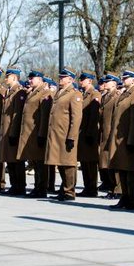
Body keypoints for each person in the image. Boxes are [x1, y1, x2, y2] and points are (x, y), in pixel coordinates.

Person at [110, 71, 134, 210]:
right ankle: (125, 197)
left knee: (131, 171)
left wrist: (132, 140)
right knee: (122, 170)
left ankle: (133, 200)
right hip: (120, 139)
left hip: (129, 139)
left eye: (125, 78)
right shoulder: (125, 94)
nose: (122, 80)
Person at [46, 69, 83, 201]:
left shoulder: (75, 94)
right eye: (60, 76)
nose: (61, 79)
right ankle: (64, 188)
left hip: (66, 134)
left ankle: (69, 191)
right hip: (57, 134)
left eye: (64, 77)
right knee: (59, 162)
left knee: (68, 163)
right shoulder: (59, 92)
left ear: (71, 79)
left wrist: (72, 136)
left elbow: (76, 117)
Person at [76, 72, 102, 197]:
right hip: (82, 132)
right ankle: (87, 187)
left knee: (90, 162)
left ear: (90, 81)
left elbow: (94, 116)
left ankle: (92, 188)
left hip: (89, 132)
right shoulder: (83, 94)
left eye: (83, 79)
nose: (80, 81)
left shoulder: (94, 94)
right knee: (84, 161)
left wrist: (91, 133)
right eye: (80, 79)